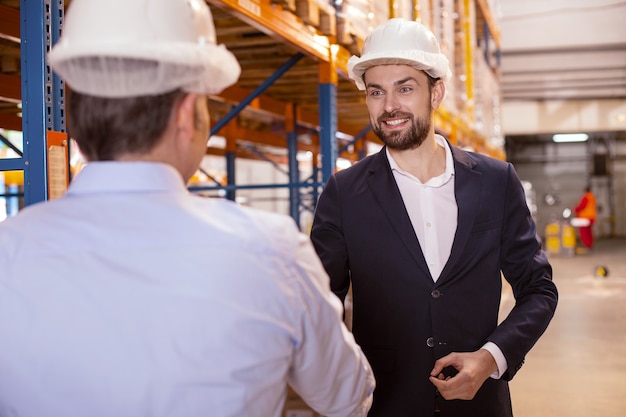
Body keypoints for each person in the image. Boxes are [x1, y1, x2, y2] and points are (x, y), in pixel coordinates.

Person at [0, 1, 375, 416]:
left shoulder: (8, 252)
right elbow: (347, 397)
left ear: (74, 112)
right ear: (185, 114)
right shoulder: (272, 251)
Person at [310, 18, 558, 417]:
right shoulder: (344, 193)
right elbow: (320, 304)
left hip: (481, 406)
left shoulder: (495, 182)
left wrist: (492, 358)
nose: (389, 106)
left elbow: (539, 289)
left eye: (405, 88)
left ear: (436, 92)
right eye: (377, 92)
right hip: (385, 404)